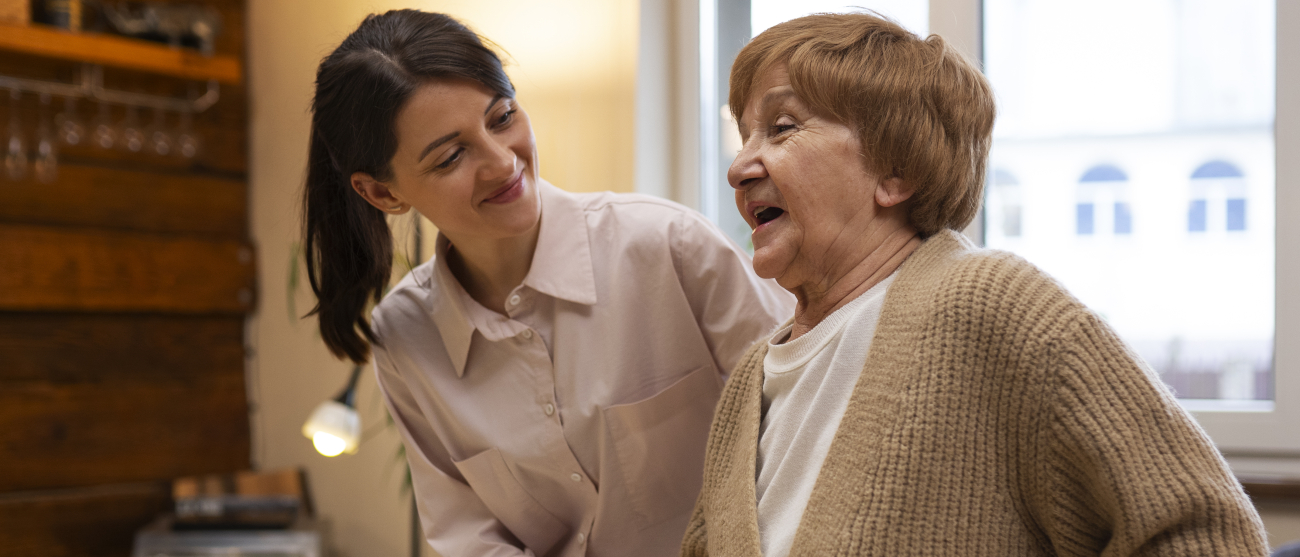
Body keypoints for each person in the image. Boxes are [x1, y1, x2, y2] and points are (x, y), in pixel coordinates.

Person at [682, 12, 1268, 557]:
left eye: (782, 129)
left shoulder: (993, 307)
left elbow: (1210, 534)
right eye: (745, 136)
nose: (740, 167)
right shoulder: (751, 379)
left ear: (897, 171)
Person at [301, 10, 792, 557]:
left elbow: (803, 425)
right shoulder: (404, 335)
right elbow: (471, 538)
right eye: (451, 156)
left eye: (502, 117)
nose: (501, 162)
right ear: (382, 193)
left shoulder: (668, 247)